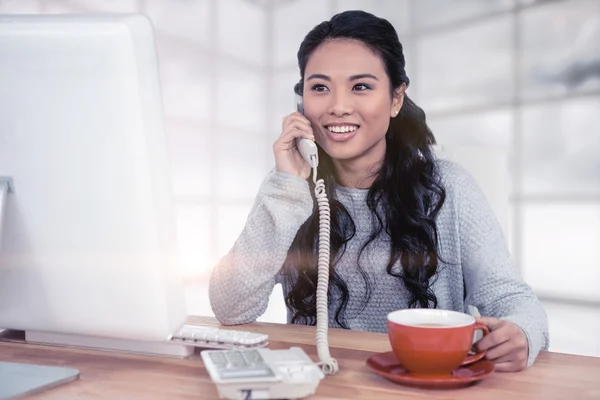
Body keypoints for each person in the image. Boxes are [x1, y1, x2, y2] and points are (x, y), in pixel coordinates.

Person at [209, 10, 549, 372]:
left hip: (426, 388)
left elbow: (513, 298)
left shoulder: (449, 187)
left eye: (361, 87)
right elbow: (230, 308)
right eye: (320, 87)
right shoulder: (288, 188)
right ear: (301, 102)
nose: (338, 107)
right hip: (323, 386)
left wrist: (523, 333)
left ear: (396, 98)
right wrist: (287, 189)